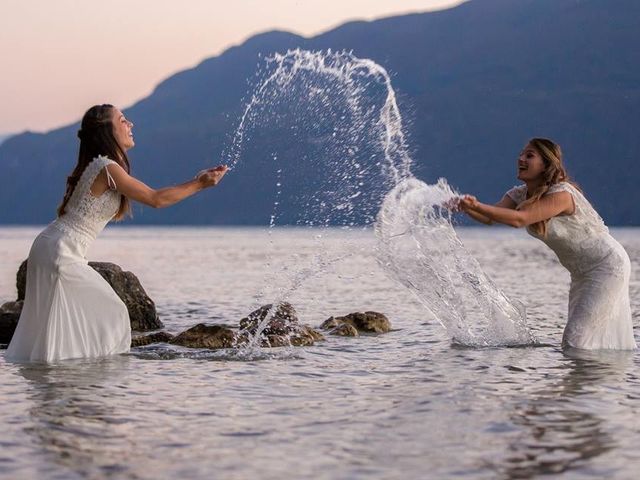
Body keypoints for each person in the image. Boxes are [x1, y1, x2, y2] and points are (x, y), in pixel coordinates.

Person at [6, 104, 228, 362]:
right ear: (107, 132)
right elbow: (156, 199)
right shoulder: (106, 168)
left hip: (52, 246)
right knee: (112, 315)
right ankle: (77, 387)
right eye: (123, 120)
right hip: (60, 252)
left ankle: (62, 390)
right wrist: (200, 183)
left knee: (60, 329)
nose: (130, 124)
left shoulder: (99, 166)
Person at [453, 137, 635, 350]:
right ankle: (593, 380)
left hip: (607, 266)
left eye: (529, 155)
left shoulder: (562, 195)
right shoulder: (519, 194)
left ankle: (588, 379)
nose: (521, 158)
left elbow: (518, 219)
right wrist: (465, 206)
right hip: (581, 274)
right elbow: (491, 218)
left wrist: (477, 205)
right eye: (521, 154)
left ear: (546, 165)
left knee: (575, 341)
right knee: (583, 341)